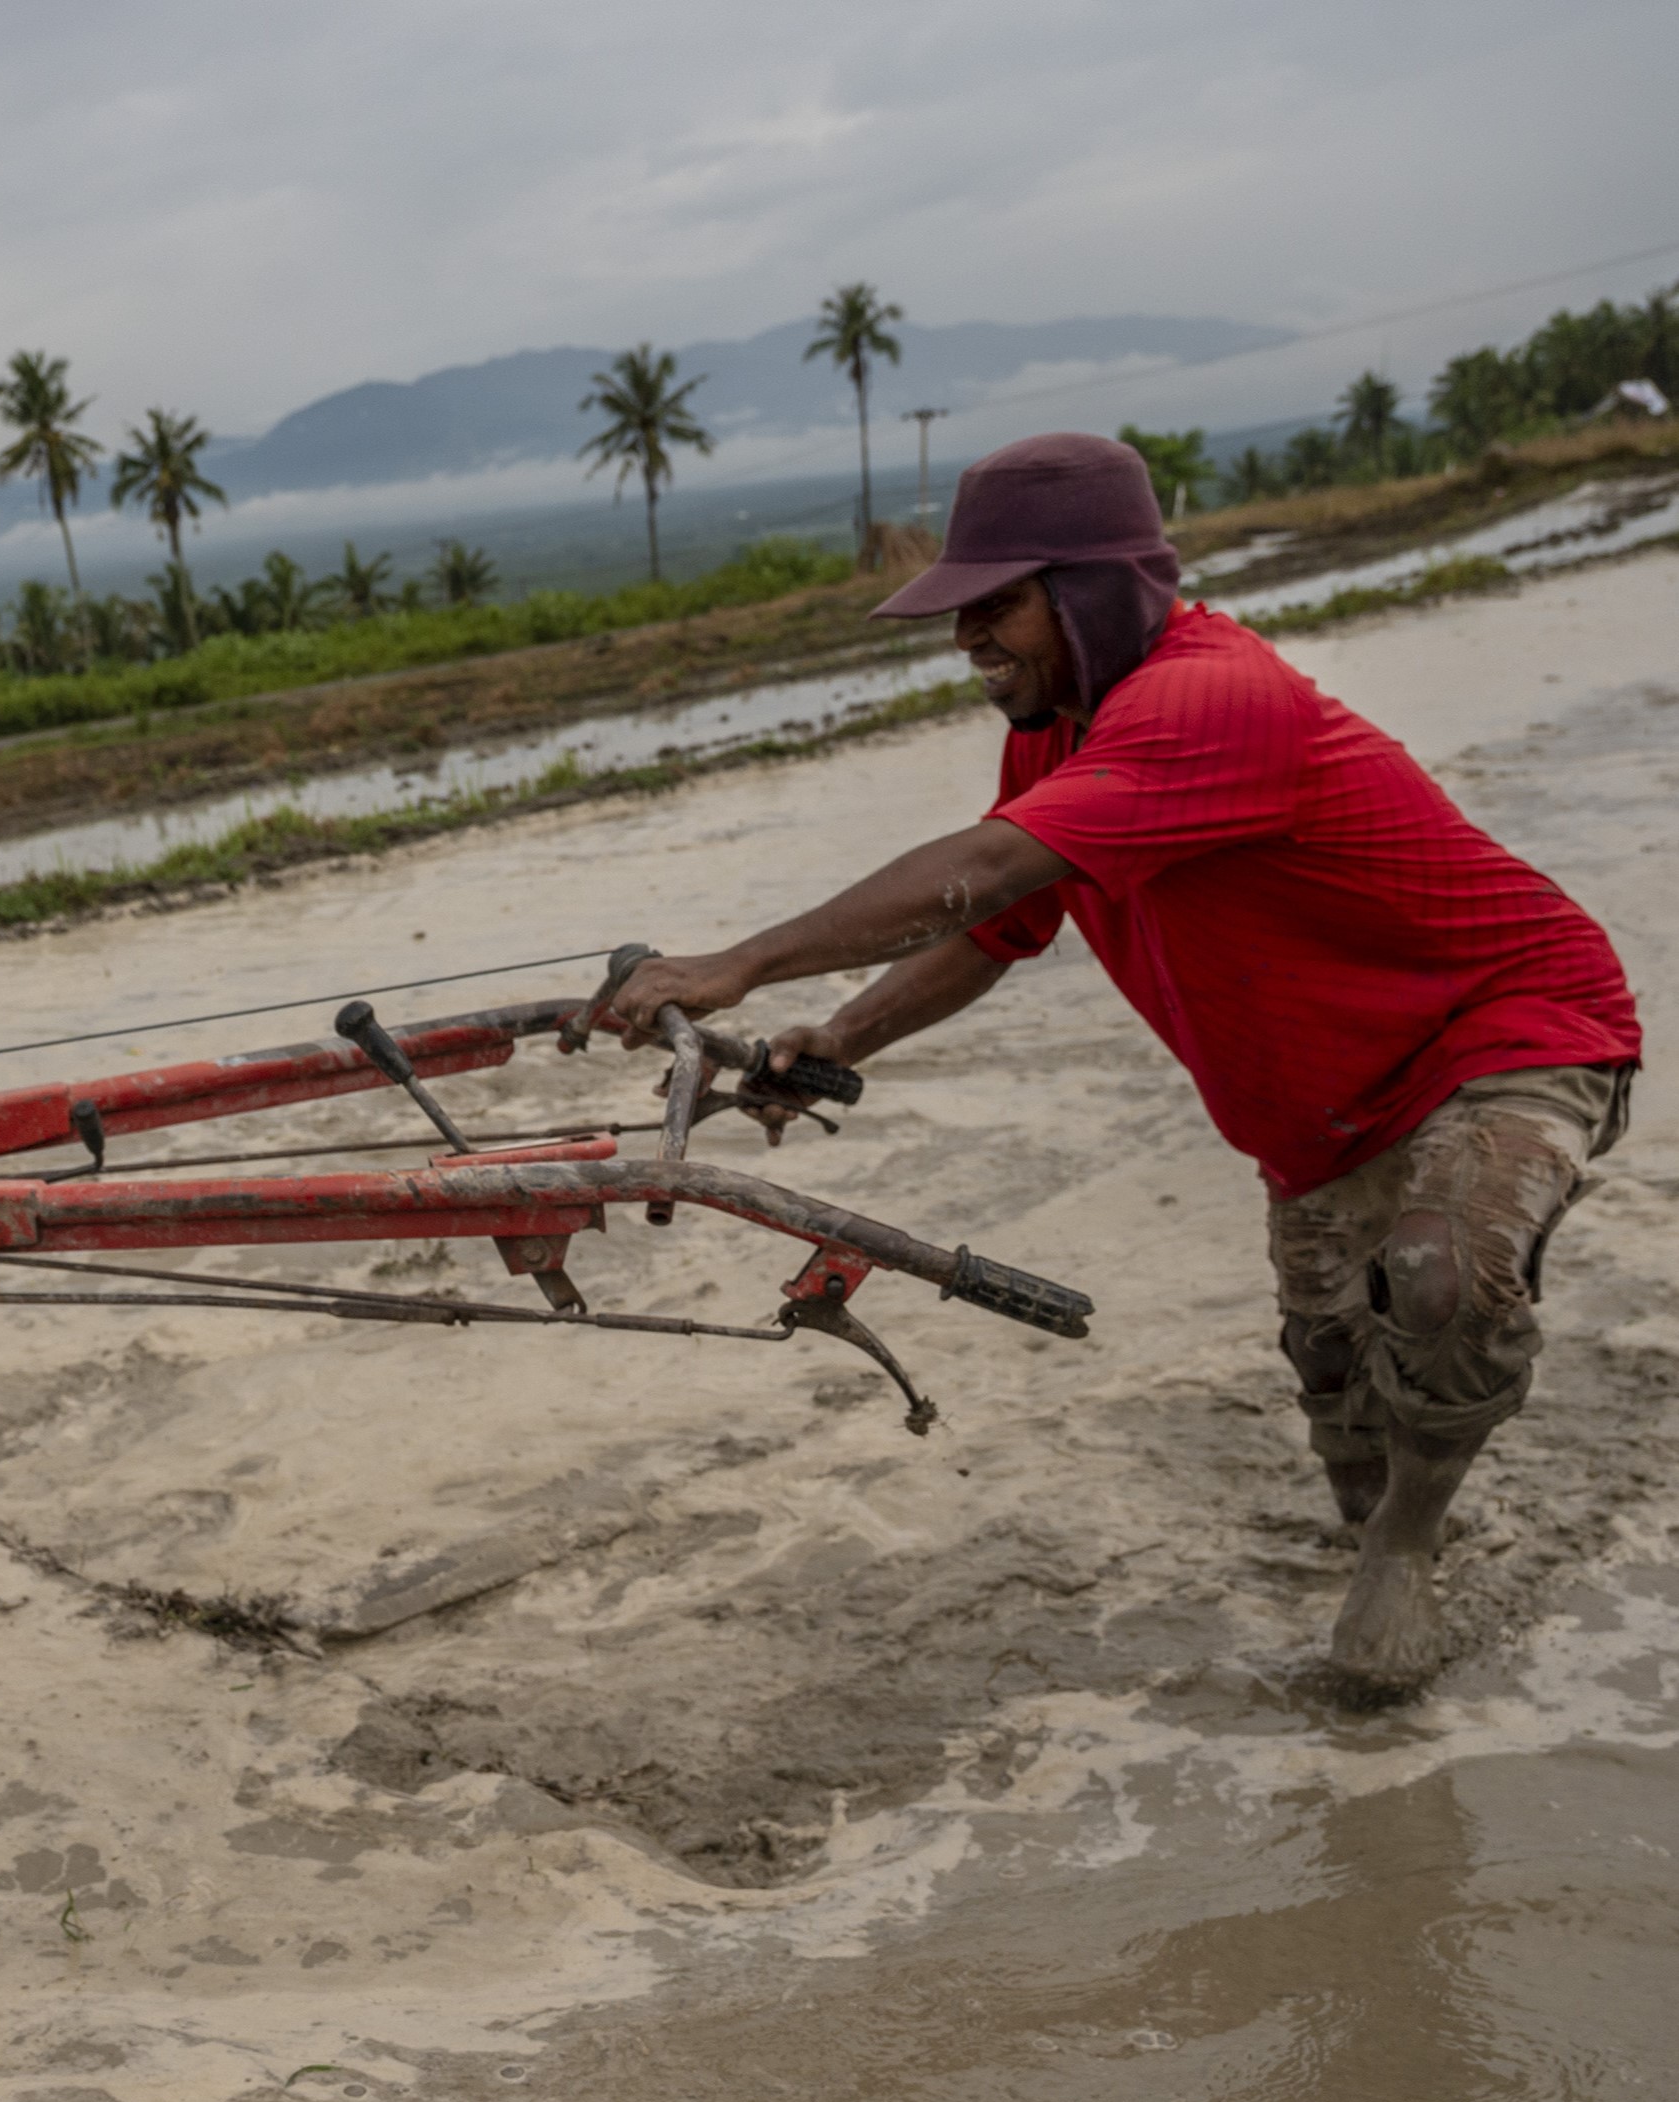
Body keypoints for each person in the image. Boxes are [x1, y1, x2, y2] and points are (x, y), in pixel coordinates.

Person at [605, 431, 1640, 1688]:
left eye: (997, 605)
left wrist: (738, 963)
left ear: (1094, 591)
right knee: (1339, 1394)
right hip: (1315, 1116)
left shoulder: (1212, 700)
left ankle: (1408, 1560)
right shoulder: (1060, 730)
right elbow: (999, 927)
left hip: (1505, 1026)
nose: (965, 639)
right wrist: (838, 1035)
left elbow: (979, 871)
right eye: (956, 608)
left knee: (1435, 1280)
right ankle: (1384, 1524)